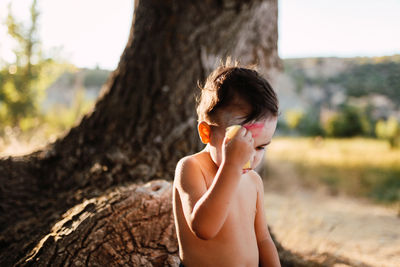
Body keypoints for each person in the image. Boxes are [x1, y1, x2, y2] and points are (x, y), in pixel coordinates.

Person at [172, 61, 281, 267]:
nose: (250, 155)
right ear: (206, 132)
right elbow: (204, 228)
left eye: (260, 147)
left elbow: (263, 239)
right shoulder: (192, 168)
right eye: (238, 143)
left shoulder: (253, 181)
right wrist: (231, 165)